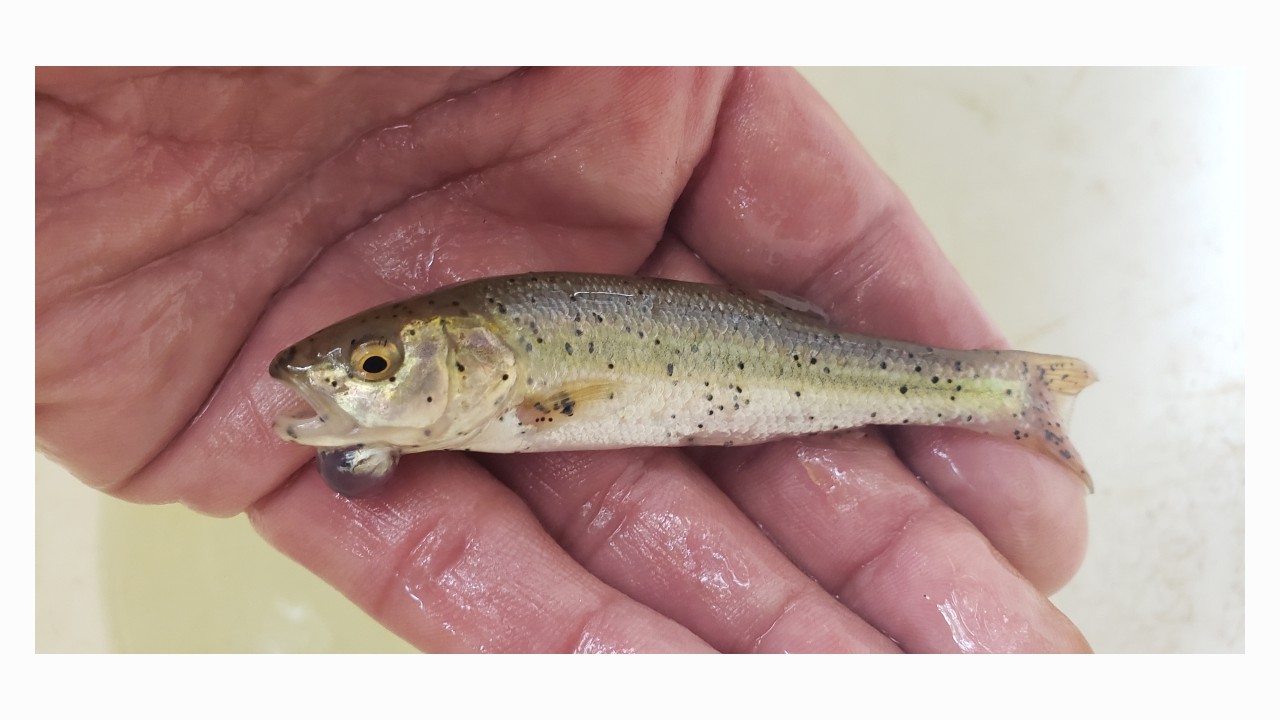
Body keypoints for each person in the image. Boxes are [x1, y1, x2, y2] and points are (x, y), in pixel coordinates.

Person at [34, 67, 1090, 652]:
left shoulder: (508, 385)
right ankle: (1001, 394)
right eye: (364, 370)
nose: (345, 382)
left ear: (470, 357)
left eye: (367, 366)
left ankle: (1000, 392)